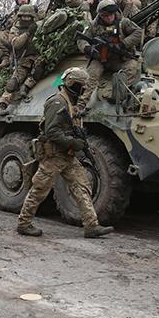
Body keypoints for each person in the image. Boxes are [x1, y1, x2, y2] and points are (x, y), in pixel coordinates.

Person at [17, 67, 114, 239]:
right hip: (54, 156)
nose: (83, 90)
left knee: (82, 187)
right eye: (81, 86)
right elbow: (52, 132)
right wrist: (73, 142)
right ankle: (24, 223)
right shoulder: (57, 102)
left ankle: (91, 225)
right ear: (71, 84)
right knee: (39, 190)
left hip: (67, 156)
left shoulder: (69, 103)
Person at [75, 0, 143, 107]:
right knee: (90, 76)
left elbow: (139, 32)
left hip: (121, 60)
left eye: (111, 14)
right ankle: (80, 104)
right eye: (105, 15)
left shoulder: (123, 22)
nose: (109, 17)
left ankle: (117, 95)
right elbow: (81, 39)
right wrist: (88, 48)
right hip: (100, 59)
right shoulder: (93, 25)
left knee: (133, 67)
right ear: (100, 15)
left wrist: (123, 44)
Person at [0, 4, 44, 115]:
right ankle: (2, 106)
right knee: (13, 83)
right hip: (23, 58)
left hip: (37, 56)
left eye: (29, 17)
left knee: (39, 69)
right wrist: (27, 33)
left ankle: (26, 87)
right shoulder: (15, 28)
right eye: (24, 17)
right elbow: (15, 44)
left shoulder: (37, 25)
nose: (26, 19)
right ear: (20, 16)